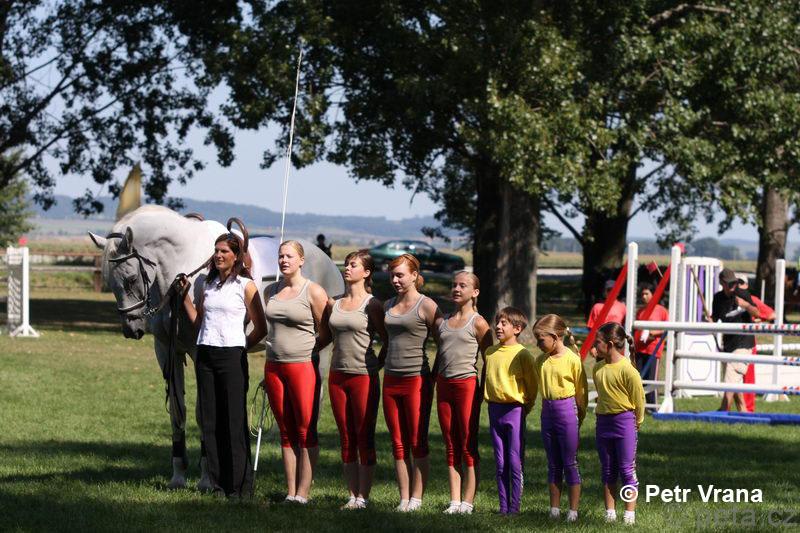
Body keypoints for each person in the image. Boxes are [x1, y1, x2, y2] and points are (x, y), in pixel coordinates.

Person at [181, 232, 266, 498]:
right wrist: (184, 298)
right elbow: (199, 323)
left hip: (232, 356)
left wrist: (241, 346)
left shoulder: (245, 285)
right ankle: (217, 484)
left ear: (236, 256)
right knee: (210, 421)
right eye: (216, 251)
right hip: (206, 354)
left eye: (224, 251)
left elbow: (261, 327)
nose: (218, 255)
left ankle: (239, 486)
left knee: (233, 421)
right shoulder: (208, 284)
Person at [316, 250, 387, 510]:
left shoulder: (373, 305)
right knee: (346, 436)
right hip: (337, 376)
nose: (347, 268)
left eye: (353, 265)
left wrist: (376, 365)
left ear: (366, 272)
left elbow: (387, 339)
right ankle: (352, 495)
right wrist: (301, 351)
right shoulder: (332, 303)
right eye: (346, 264)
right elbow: (324, 337)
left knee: (363, 435)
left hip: (363, 377)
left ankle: (363, 497)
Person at [263, 240, 329, 503]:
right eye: (281, 256)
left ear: (301, 260)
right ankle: (291, 492)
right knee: (285, 430)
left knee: (305, 430)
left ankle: (303, 492)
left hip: (302, 367)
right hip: (273, 367)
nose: (284, 260)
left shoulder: (313, 291)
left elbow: (326, 331)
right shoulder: (270, 290)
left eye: (289, 256)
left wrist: (309, 352)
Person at [382, 253, 441, 512]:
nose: (395, 280)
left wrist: (434, 376)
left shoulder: (427, 306)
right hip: (390, 380)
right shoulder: (387, 305)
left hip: (416, 380)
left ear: (414, 276)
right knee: (397, 442)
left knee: (417, 441)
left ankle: (417, 498)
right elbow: (386, 341)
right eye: (392, 275)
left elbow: (445, 342)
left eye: (400, 275)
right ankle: (404, 497)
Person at [433, 272, 492, 515]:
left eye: (463, 285)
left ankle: (468, 502)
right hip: (444, 385)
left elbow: (490, 360)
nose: (456, 289)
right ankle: (454, 500)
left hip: (466, 386)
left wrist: (482, 390)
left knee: (468, 443)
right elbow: (440, 355)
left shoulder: (479, 323)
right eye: (454, 285)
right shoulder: (443, 321)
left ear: (475, 292)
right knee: (450, 443)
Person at [531, 314, 588, 522]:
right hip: (548, 412)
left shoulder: (572, 360)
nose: (537, 344)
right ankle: (554, 509)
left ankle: (573, 511)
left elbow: (581, 391)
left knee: (569, 462)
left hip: (567, 412)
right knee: (553, 462)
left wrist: (579, 416)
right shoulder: (540, 361)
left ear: (555, 337)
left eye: (541, 340)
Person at [483, 307, 536, 516]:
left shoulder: (523, 354)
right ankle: (503, 507)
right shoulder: (490, 353)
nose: (498, 326)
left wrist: (525, 407)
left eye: (503, 323)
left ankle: (515, 508)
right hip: (494, 410)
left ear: (517, 328)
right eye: (497, 322)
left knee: (514, 461)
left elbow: (532, 386)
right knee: (500, 462)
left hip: (515, 410)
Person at [591, 322, 645, 525]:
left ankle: (629, 515)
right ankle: (610, 513)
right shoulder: (597, 369)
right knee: (607, 469)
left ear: (611, 344)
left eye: (598, 342)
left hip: (624, 423)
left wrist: (637, 422)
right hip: (603, 423)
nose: (595, 346)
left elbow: (639, 400)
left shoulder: (628, 370)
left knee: (626, 469)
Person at [711, 268, 760, 412]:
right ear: (722, 283)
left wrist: (745, 305)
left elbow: (757, 313)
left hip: (744, 343)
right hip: (728, 344)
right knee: (734, 380)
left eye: (734, 282)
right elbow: (715, 318)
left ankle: (723, 409)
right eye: (730, 283)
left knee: (730, 376)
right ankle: (744, 413)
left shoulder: (743, 294)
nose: (733, 285)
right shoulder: (718, 299)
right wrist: (709, 320)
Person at [634, 282, 668, 410]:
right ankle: (640, 406)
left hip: (654, 349)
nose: (644, 297)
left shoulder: (661, 311)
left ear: (653, 295)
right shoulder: (640, 311)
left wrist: (653, 333)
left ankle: (653, 406)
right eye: (642, 294)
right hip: (640, 348)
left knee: (651, 378)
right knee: (639, 378)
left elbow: (667, 328)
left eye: (646, 294)